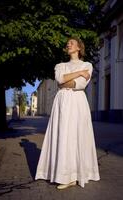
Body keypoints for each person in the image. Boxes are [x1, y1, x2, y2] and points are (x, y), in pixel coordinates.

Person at [35, 37, 100, 189]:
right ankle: (64, 174)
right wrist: (79, 73)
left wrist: (71, 78)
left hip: (78, 103)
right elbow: (60, 81)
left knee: (76, 135)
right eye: (67, 44)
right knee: (63, 135)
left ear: (79, 47)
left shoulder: (88, 65)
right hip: (62, 102)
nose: (68, 45)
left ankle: (76, 173)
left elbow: (79, 84)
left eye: (71, 43)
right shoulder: (60, 65)